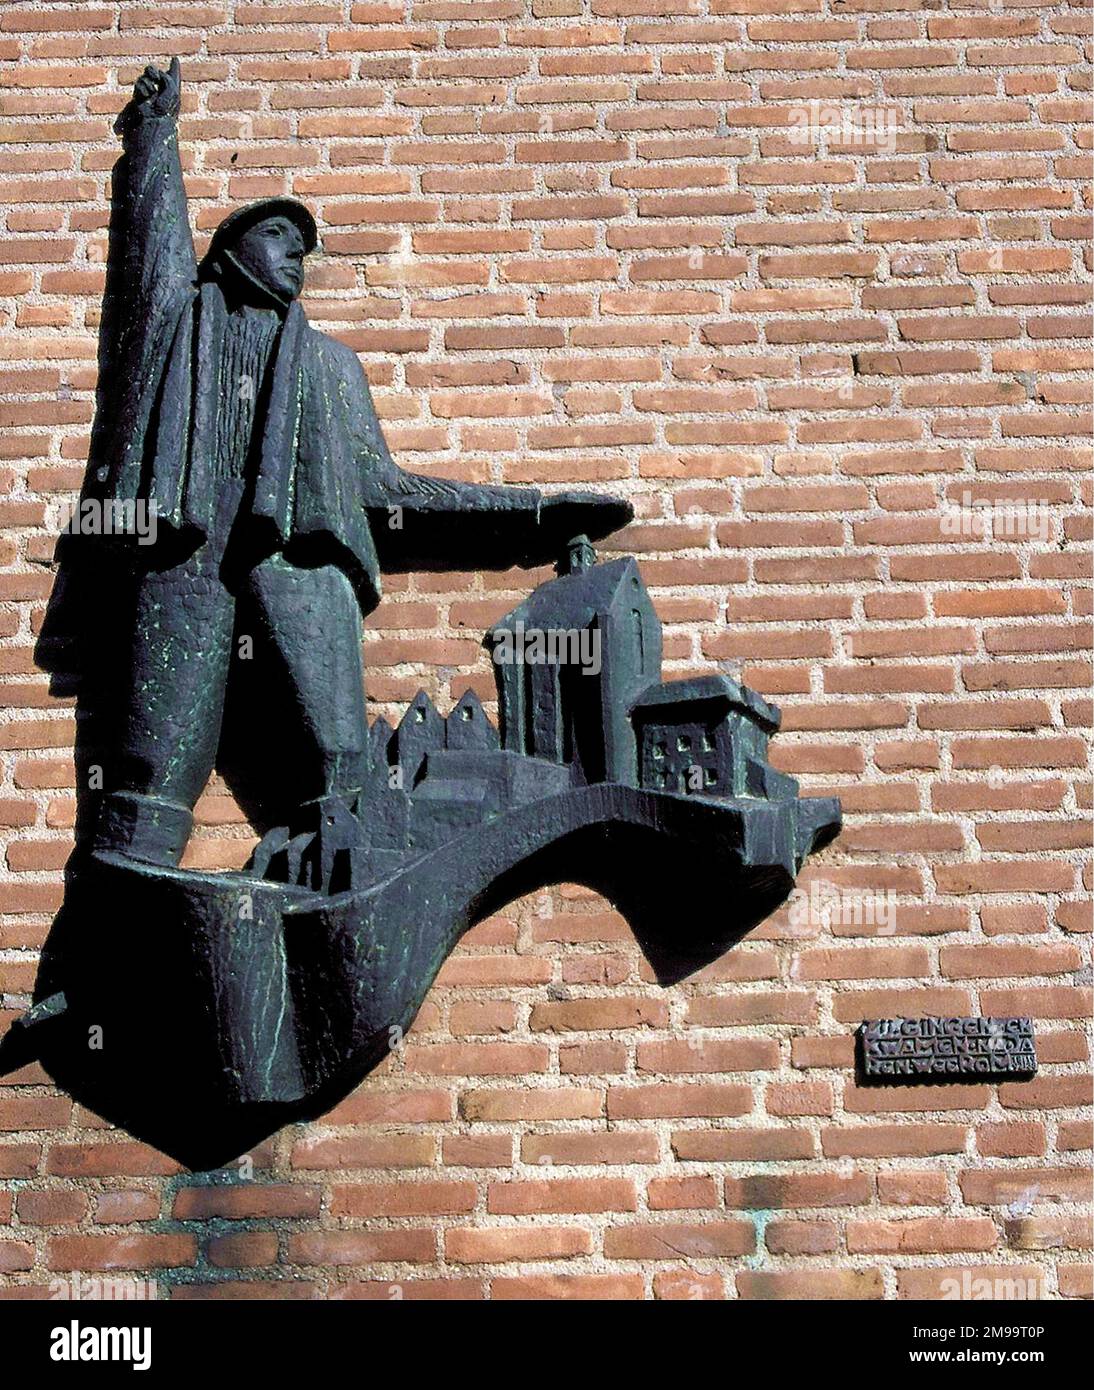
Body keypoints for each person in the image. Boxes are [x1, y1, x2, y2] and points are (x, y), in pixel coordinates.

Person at [70, 59, 632, 868]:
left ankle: (344, 909)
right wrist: (157, 132)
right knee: (149, 761)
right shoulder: (176, 324)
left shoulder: (330, 369)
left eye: (305, 247)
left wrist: (540, 512)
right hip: (184, 555)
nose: (297, 256)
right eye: (278, 238)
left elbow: (392, 493)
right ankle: (103, 962)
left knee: (337, 753)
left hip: (298, 556)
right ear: (228, 250)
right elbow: (153, 243)